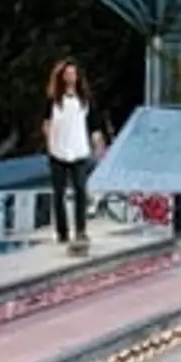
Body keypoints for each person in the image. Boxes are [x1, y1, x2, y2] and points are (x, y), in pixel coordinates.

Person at [44, 59, 106, 255]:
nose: (71, 77)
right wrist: (49, 141)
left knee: (80, 190)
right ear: (62, 77)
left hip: (79, 150)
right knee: (59, 193)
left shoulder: (84, 99)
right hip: (58, 151)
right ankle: (62, 231)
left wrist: (98, 145)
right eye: (68, 74)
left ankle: (81, 230)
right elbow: (46, 122)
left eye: (74, 74)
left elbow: (94, 124)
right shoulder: (53, 99)